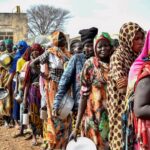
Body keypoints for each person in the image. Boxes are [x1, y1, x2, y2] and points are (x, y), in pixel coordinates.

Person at [68, 32, 112, 150]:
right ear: (95, 49)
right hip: (92, 119)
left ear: (111, 46)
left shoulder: (116, 64)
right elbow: (83, 96)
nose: (103, 49)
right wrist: (76, 127)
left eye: (106, 45)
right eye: (99, 46)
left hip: (112, 119)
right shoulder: (90, 64)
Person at [107, 22, 145, 150]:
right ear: (126, 39)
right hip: (120, 109)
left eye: (142, 38)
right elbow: (123, 89)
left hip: (133, 108)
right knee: (120, 143)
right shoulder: (117, 57)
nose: (140, 42)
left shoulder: (137, 57)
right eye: (136, 39)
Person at [31, 31, 71, 150]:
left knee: (65, 113)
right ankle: (53, 143)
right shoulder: (49, 53)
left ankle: (64, 143)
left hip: (65, 87)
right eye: (58, 39)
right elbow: (33, 64)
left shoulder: (67, 54)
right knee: (54, 114)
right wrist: (43, 76)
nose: (61, 41)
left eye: (63, 39)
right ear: (54, 40)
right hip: (52, 87)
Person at [53, 27, 98, 133]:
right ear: (83, 47)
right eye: (87, 46)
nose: (90, 49)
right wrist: (57, 103)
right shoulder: (77, 58)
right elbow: (64, 83)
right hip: (79, 107)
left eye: (92, 45)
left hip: (97, 108)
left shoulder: (99, 60)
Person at [23, 43, 44, 146]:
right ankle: (35, 136)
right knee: (33, 114)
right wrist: (24, 97)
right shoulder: (29, 65)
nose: (35, 52)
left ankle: (44, 136)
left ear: (40, 51)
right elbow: (27, 82)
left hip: (44, 91)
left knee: (43, 114)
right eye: (33, 50)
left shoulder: (44, 63)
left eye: (37, 50)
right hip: (33, 91)